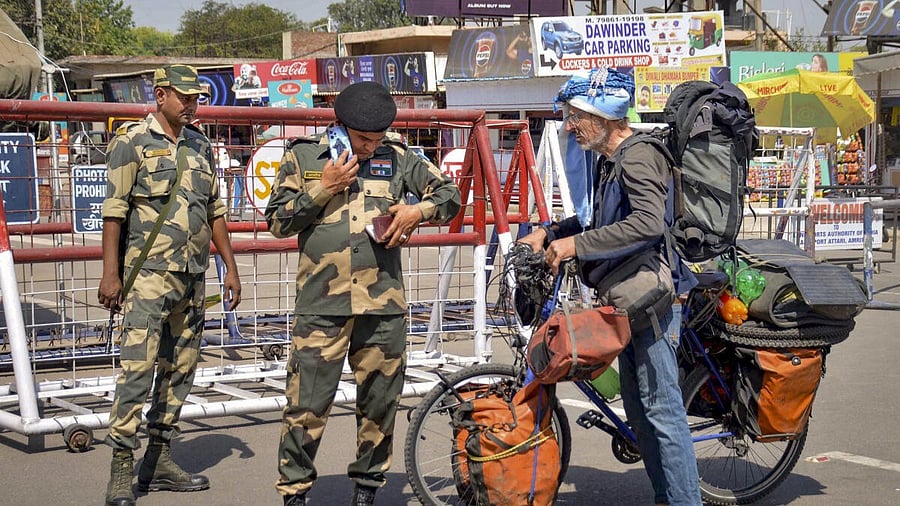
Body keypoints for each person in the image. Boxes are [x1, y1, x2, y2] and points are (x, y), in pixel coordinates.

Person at [265, 81, 461, 506]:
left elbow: (450, 196)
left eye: (377, 139)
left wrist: (415, 212)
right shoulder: (304, 157)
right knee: (306, 407)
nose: (371, 147)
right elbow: (279, 221)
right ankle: (294, 493)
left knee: (379, 406)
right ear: (342, 127)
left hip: (382, 307)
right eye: (363, 140)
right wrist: (324, 187)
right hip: (322, 306)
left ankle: (367, 490)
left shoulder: (398, 157)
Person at [518, 67, 702, 506]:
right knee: (640, 409)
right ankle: (666, 496)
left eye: (575, 116)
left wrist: (574, 244)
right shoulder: (610, 160)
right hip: (630, 296)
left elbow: (645, 224)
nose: (569, 125)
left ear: (602, 117)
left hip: (658, 297)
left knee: (661, 410)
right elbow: (603, 223)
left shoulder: (638, 155)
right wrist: (551, 232)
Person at [97, 64, 242, 506]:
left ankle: (158, 459)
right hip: (148, 279)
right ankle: (121, 465)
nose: (192, 103)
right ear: (160, 95)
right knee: (137, 371)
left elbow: (215, 209)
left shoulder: (200, 144)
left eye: (196, 97)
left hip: (192, 278)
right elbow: (114, 211)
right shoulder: (131, 142)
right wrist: (110, 272)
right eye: (184, 96)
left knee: (181, 369)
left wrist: (229, 266)